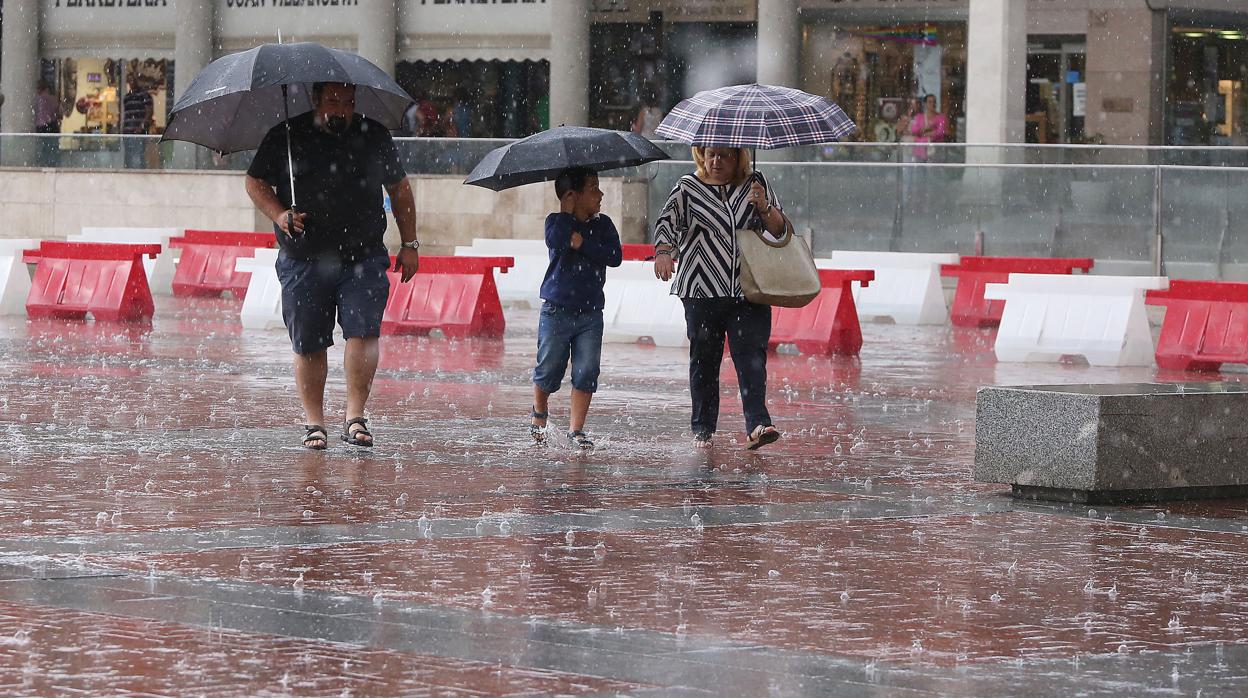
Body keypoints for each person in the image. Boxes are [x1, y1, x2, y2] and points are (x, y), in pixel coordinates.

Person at [244, 82, 420, 450]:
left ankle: (355, 416)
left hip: (363, 255)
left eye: (348, 103)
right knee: (309, 341)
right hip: (303, 257)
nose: (341, 110)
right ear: (315, 99)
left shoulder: (373, 135)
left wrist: (409, 244)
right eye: (333, 102)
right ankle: (314, 423)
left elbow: (399, 188)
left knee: (363, 332)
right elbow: (254, 180)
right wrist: (279, 214)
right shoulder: (287, 134)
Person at [653, 147, 787, 450]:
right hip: (702, 292)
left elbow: (779, 230)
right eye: (710, 154)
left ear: (738, 157)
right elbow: (666, 224)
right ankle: (702, 429)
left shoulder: (756, 183)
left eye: (724, 155)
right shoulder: (688, 187)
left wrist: (763, 205)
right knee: (704, 361)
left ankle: (758, 424)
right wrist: (663, 253)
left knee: (752, 358)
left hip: (748, 290)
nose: (715, 162)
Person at [529, 167, 622, 451]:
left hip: (591, 313)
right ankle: (539, 412)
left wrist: (583, 244)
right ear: (573, 195)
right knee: (548, 368)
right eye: (593, 187)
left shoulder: (603, 225)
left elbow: (615, 256)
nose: (600, 193)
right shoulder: (556, 222)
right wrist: (567, 214)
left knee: (587, 370)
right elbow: (555, 242)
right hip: (557, 310)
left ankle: (576, 429)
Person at [121, 75, 153, 168]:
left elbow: (149, 112)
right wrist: (123, 128)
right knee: (128, 156)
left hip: (139, 132)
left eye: (133, 80)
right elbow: (125, 114)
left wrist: (142, 126)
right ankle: (128, 174)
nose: (131, 82)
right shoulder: (127, 97)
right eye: (129, 80)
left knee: (140, 155)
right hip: (127, 131)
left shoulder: (144, 95)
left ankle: (140, 176)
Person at [910, 94, 948, 162]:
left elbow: (940, 133)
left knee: (934, 171)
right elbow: (914, 130)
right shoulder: (919, 117)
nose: (933, 104)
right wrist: (928, 129)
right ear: (925, 104)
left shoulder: (941, 117)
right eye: (930, 102)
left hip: (936, 152)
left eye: (934, 102)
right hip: (920, 152)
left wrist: (922, 134)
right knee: (920, 171)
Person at [34, 79, 60, 167]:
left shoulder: (38, 99)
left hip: (40, 126)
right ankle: (51, 163)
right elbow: (57, 111)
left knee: (43, 145)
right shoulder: (52, 99)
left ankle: (42, 162)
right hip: (51, 125)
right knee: (52, 145)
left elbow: (38, 112)